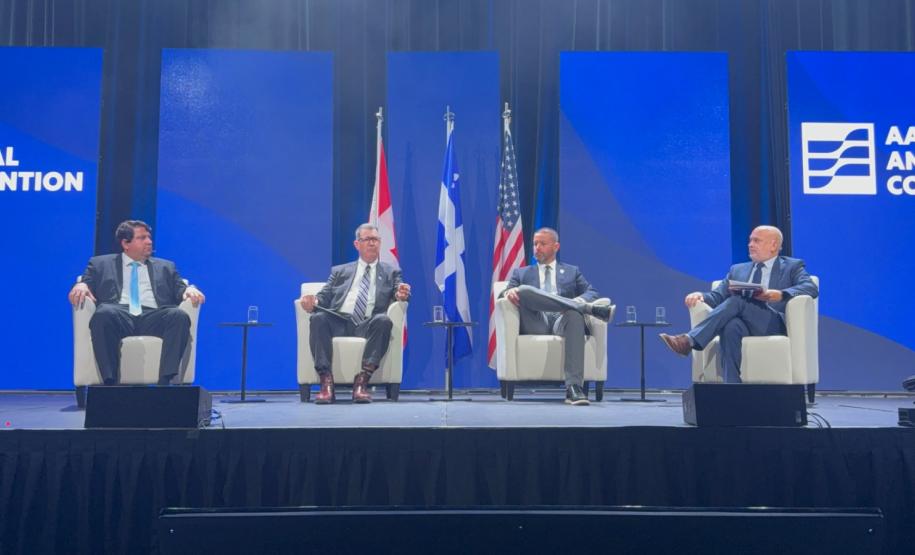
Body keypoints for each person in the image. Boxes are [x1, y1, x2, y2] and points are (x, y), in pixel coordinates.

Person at [659, 225, 818, 383]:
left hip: (772, 323)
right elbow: (717, 297)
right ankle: (732, 386)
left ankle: (689, 341)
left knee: (738, 299)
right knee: (731, 326)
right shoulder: (737, 270)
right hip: (743, 324)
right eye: (750, 240)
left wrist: (780, 294)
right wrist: (701, 296)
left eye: (756, 241)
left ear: (774, 245)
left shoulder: (792, 266)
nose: (750, 245)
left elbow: (810, 287)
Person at [68, 220, 205, 385]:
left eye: (149, 237)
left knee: (178, 315)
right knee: (103, 314)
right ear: (126, 243)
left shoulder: (166, 266)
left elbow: (179, 288)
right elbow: (87, 282)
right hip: (118, 314)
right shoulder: (100, 264)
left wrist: (189, 289)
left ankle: (165, 381)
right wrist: (82, 284)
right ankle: (110, 384)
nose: (149, 241)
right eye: (142, 238)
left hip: (153, 315)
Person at [299, 223, 411, 404]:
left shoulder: (391, 272)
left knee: (383, 321)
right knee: (318, 318)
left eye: (375, 239)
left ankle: (362, 381)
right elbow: (324, 296)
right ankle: (326, 382)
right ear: (357, 244)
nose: (372, 243)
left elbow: (399, 291)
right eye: (367, 239)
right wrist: (314, 301)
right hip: (340, 321)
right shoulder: (340, 271)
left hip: (368, 324)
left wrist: (402, 294)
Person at [500, 227, 612, 406]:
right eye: (535, 244)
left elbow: (592, 292)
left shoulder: (572, 271)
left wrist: (575, 301)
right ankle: (585, 308)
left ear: (556, 247)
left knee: (574, 315)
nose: (537, 248)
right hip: (536, 321)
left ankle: (574, 388)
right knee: (524, 291)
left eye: (542, 244)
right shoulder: (521, 273)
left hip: (562, 321)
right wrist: (509, 292)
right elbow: (503, 294)